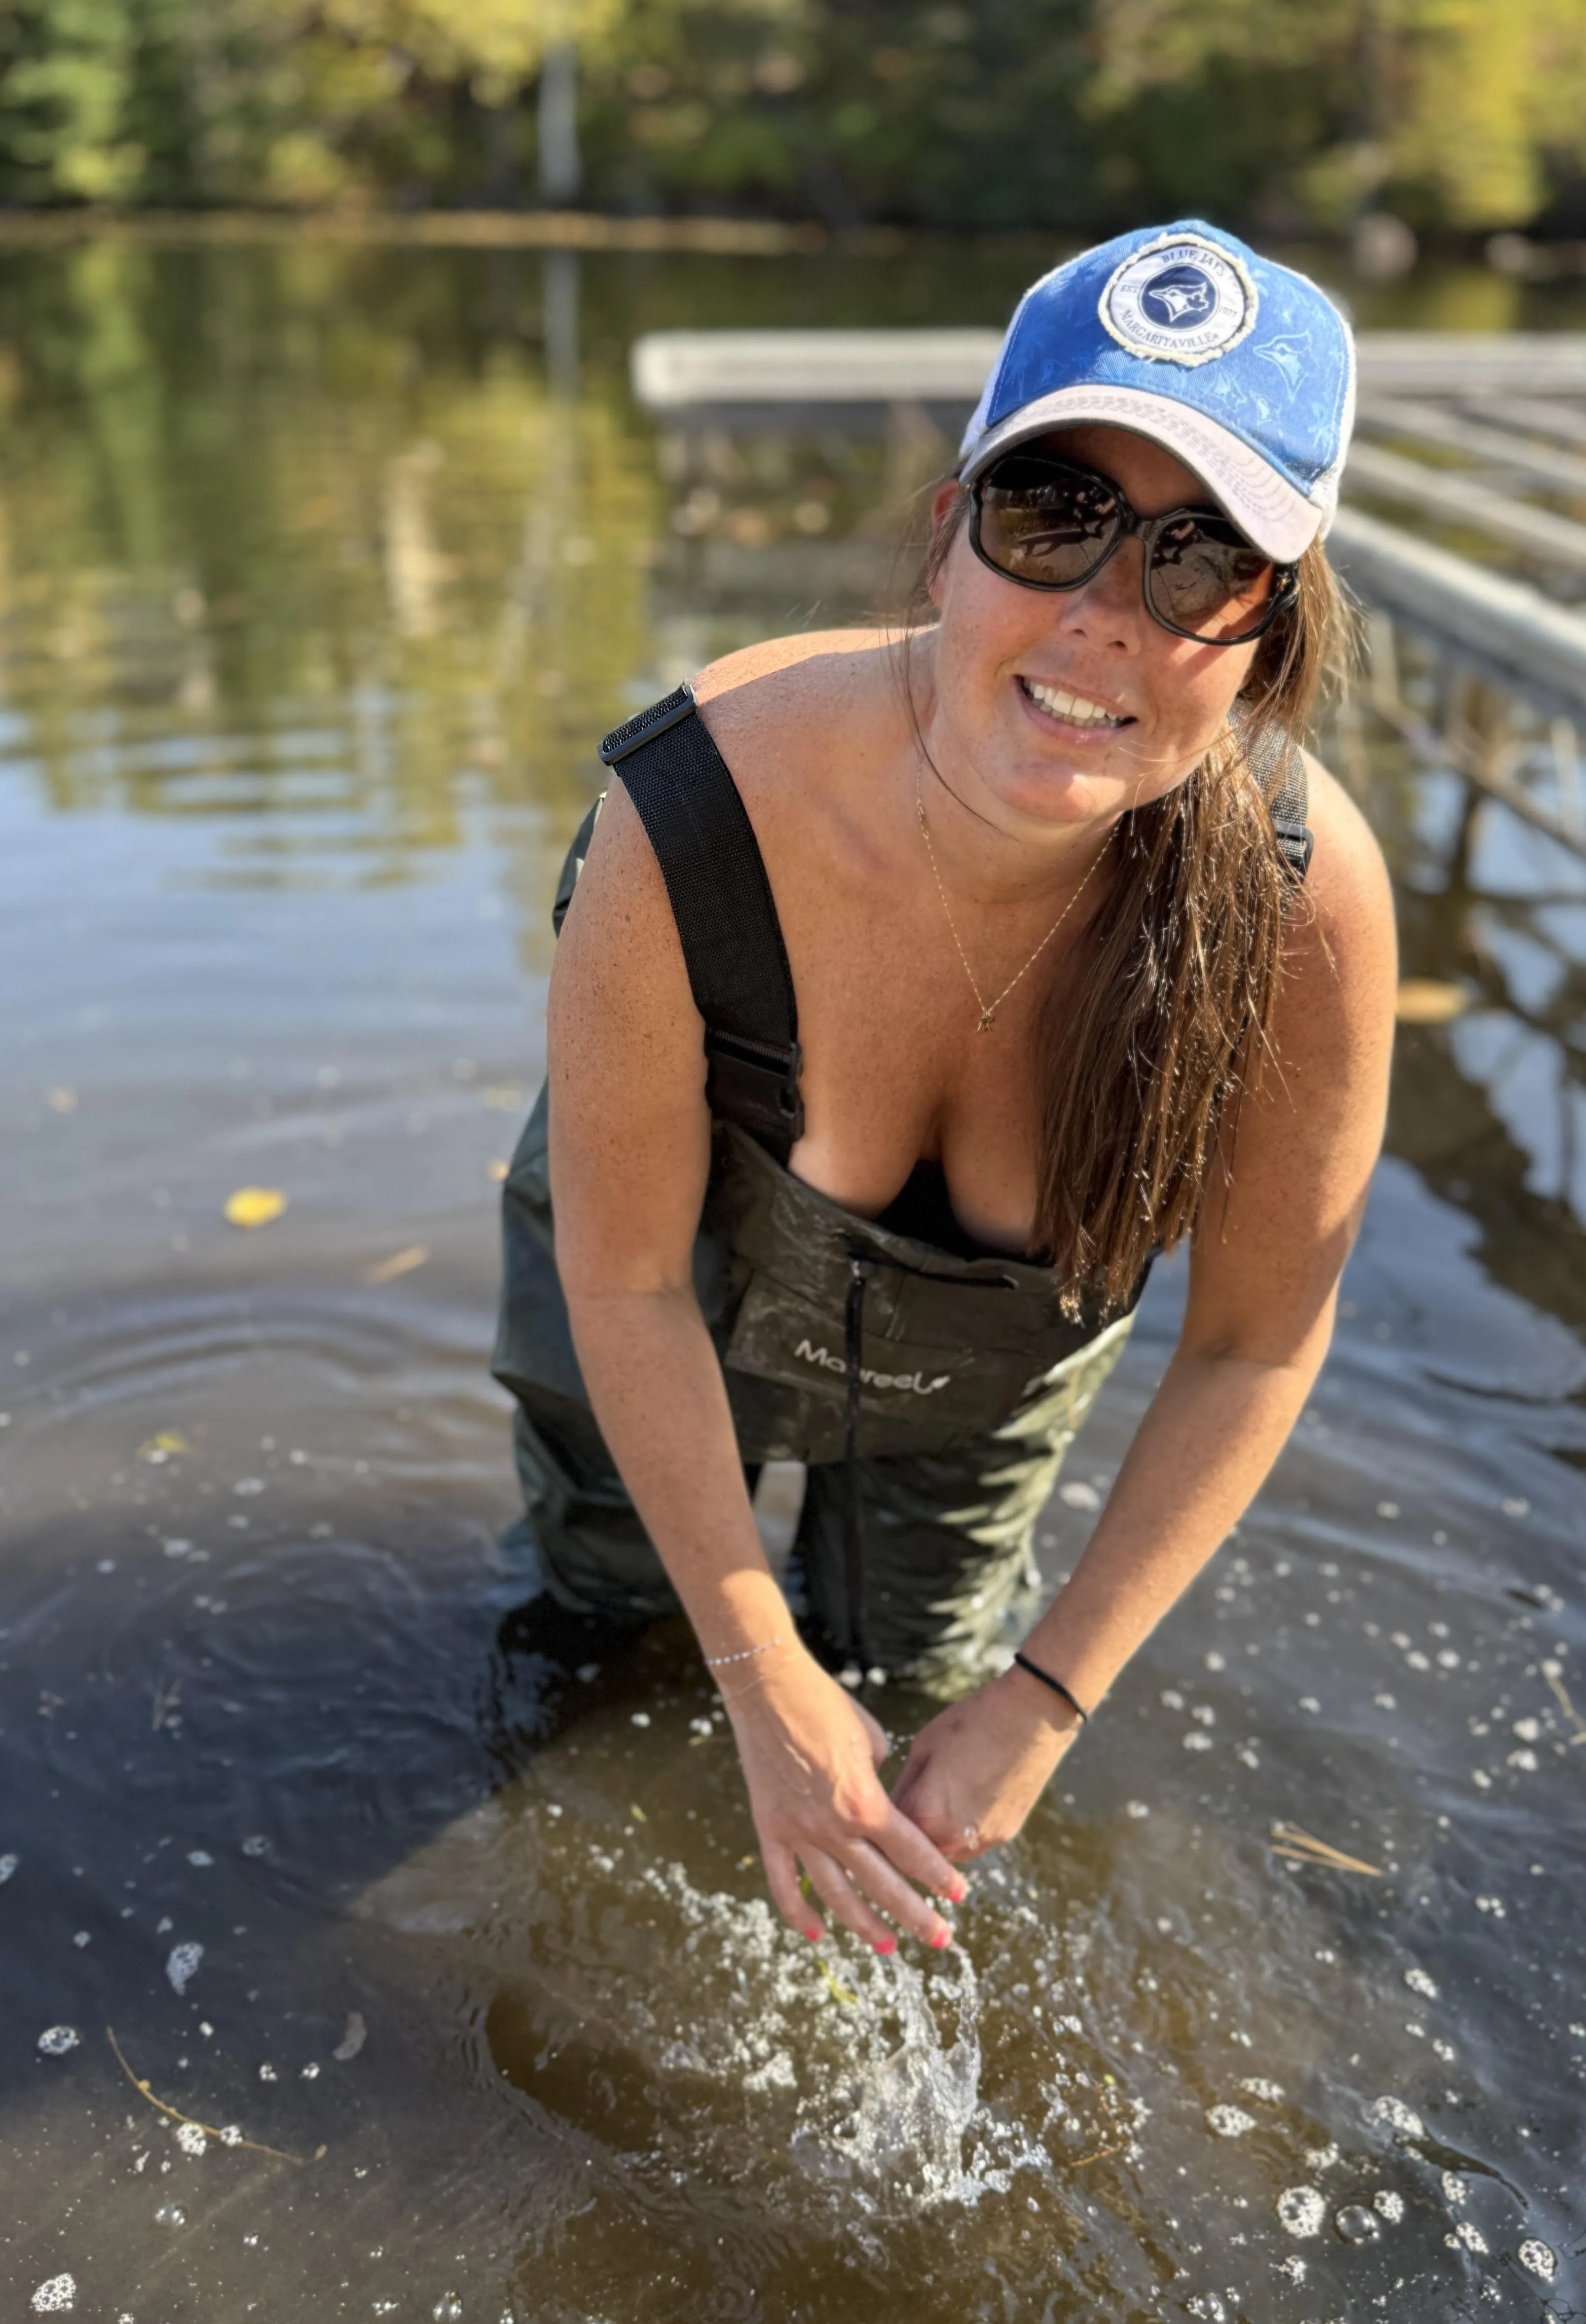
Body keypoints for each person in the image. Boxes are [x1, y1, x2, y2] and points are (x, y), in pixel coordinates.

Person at [492, 220, 1396, 1963]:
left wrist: (1045, 1701)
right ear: (947, 529)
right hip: (651, 1307)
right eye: (1051, 515)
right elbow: (617, 1280)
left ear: (1269, 634)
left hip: (970, 1402)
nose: (1099, 621)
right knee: (604, 1640)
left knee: (918, 1730)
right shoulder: (692, 812)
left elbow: (1258, 1341)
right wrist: (753, 1683)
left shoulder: (1300, 906)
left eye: (1198, 563)